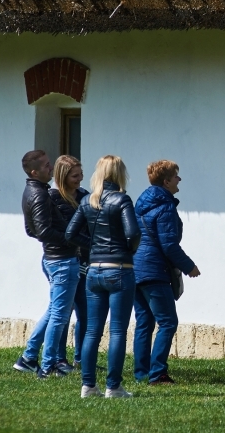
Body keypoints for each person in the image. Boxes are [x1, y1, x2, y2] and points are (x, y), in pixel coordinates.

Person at [66, 155, 140, 398]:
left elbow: (70, 233)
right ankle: (114, 387)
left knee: (92, 331)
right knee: (117, 330)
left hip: (93, 270)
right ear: (119, 174)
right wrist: (126, 250)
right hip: (119, 269)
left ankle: (88, 386)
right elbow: (133, 233)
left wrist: (93, 245)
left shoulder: (88, 200)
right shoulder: (122, 199)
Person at [14, 150, 89, 378]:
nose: (51, 169)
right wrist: (72, 238)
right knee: (59, 315)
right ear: (34, 172)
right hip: (62, 260)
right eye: (47, 166)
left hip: (56, 259)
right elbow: (43, 231)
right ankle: (48, 365)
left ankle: (28, 357)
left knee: (55, 311)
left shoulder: (36, 192)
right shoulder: (40, 195)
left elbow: (31, 230)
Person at [133, 160, 200, 385]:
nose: (179, 179)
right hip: (154, 271)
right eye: (176, 176)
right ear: (166, 181)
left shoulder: (140, 204)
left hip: (136, 270)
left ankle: (141, 373)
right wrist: (189, 266)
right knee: (168, 322)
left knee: (144, 322)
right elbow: (169, 245)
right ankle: (158, 373)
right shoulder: (165, 207)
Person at [49, 155, 90, 371]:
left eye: (81, 174)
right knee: (64, 310)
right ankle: (59, 358)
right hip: (64, 259)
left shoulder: (85, 196)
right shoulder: (53, 198)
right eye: (75, 176)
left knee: (84, 309)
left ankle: (82, 358)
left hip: (84, 260)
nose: (80, 179)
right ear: (63, 177)